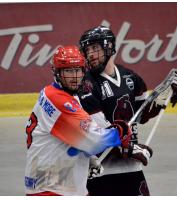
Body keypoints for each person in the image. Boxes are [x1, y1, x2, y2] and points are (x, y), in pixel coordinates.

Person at [78, 26, 177, 196]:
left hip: (131, 167)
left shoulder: (130, 77)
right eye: (87, 50)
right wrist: (130, 149)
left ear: (110, 47)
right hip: (99, 168)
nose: (90, 54)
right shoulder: (86, 84)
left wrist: (166, 94)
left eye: (95, 48)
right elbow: (99, 131)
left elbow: (142, 114)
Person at [24, 45, 133, 196]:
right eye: (68, 71)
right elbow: (95, 141)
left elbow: (73, 136)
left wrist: (88, 158)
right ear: (56, 72)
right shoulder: (60, 101)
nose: (75, 77)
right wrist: (120, 133)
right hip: (52, 189)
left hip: (57, 184)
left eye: (78, 70)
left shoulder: (55, 93)